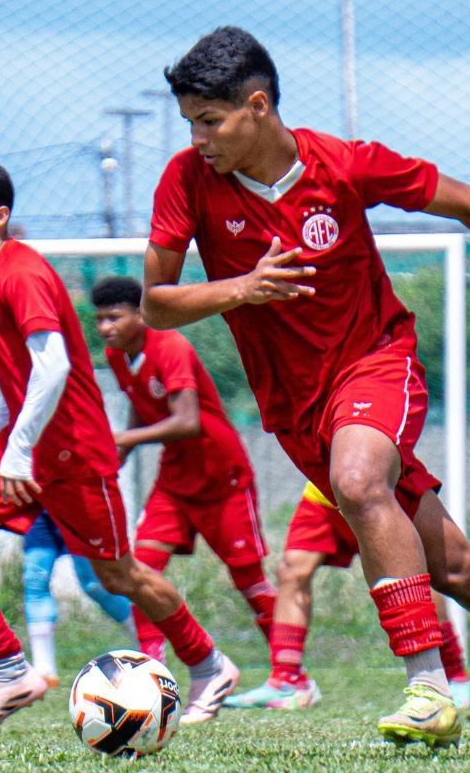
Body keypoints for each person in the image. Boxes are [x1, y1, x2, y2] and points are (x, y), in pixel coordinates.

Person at [140, 27, 470, 748]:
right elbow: (155, 303)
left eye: (210, 121)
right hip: (296, 409)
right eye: (190, 123)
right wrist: (242, 288)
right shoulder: (186, 180)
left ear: (258, 106)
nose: (198, 139)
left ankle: (428, 688)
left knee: (359, 479)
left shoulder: (343, 166)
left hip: (374, 364)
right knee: (454, 568)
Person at [0, 161, 238, 728]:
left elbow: (54, 365)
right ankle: (11, 673)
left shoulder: (22, 273)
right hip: (22, 445)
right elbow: (20, 365)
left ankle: (209, 664)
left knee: (119, 576)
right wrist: (3, 422)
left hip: (70, 451)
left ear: (0, 216)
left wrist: (18, 448)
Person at [89, 275, 276, 663]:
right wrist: (119, 455)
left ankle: (289, 671)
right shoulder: (117, 355)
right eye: (100, 319)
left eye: (114, 317)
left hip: (220, 474)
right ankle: (148, 663)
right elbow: (140, 402)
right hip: (175, 478)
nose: (105, 327)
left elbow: (187, 422)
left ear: (141, 314)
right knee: (141, 569)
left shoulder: (170, 346)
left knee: (249, 579)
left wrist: (124, 438)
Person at [227, 481, 470, 711]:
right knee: (292, 568)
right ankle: (287, 679)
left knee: (412, 572)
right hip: (324, 493)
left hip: (377, 493)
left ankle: (455, 676)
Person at [21, 512, 140, 688]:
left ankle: (147, 643)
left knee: (95, 584)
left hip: (76, 509)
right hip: (40, 511)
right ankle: (44, 673)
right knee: (35, 579)